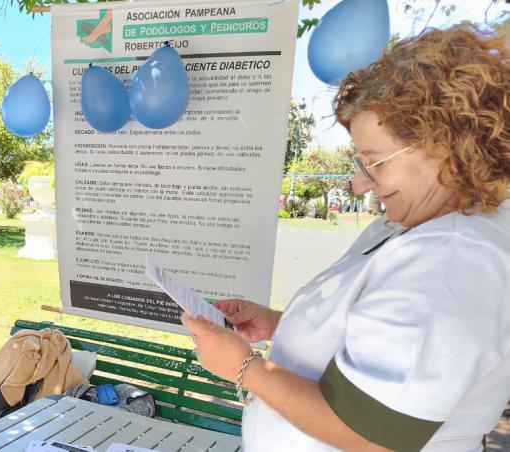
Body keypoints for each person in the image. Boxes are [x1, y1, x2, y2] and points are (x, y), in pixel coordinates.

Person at [182, 23, 510, 452]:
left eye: (375, 161)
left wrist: (244, 368)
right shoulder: (425, 225)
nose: (359, 184)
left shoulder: (453, 256)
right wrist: (285, 326)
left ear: (446, 146)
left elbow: (374, 433)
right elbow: (389, 346)